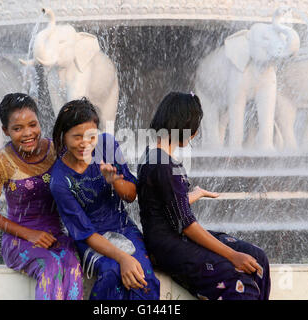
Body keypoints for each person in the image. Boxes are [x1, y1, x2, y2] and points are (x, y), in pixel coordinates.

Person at [136, 92, 271, 300]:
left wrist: (194, 194)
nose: (195, 134)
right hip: (169, 245)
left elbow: (165, 206)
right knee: (239, 281)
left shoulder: (154, 155)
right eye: (194, 127)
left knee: (257, 258)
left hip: (175, 235)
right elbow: (186, 224)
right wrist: (232, 255)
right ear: (185, 128)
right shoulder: (162, 164)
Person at [49, 97, 160, 300]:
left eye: (90, 137)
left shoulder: (107, 145)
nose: (85, 144)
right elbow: (85, 233)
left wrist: (115, 181)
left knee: (143, 276)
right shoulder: (59, 180)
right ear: (63, 136)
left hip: (123, 227)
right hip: (91, 239)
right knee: (112, 272)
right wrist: (123, 257)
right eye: (77, 137)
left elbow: (131, 195)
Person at [0, 93, 83, 300]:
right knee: (50, 265)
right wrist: (30, 234)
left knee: (71, 263)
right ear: (5, 131)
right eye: (17, 129)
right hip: (19, 240)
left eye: (32, 125)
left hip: (55, 236)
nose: (28, 133)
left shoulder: (56, 149)